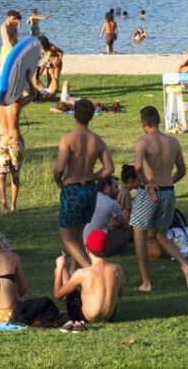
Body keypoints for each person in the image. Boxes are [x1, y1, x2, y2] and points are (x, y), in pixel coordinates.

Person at [130, 106, 188, 292]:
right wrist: (169, 182)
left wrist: (146, 183)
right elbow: (182, 170)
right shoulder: (173, 142)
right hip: (167, 191)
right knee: (161, 235)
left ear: (143, 123)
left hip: (148, 191)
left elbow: (137, 167)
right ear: (158, 121)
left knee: (139, 234)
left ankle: (146, 282)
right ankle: (185, 265)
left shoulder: (143, 142)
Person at [54, 99, 115, 269]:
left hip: (72, 189)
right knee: (79, 234)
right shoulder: (97, 140)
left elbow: (60, 168)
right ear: (91, 117)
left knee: (66, 236)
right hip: (90, 189)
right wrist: (93, 176)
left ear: (74, 114)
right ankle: (75, 273)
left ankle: (90, 269)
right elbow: (109, 168)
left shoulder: (67, 139)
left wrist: (58, 180)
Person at [53, 229, 123, 330]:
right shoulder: (117, 269)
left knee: (63, 273)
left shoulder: (83, 273)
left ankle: (60, 269)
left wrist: (59, 268)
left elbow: (57, 294)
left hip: (85, 317)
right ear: (106, 248)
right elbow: (120, 293)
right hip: (109, 316)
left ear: (87, 249)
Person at [0, 89, 37, 215]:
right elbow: (33, 94)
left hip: (1, 140)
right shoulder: (16, 105)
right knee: (15, 174)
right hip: (14, 141)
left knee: (1, 174)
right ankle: (13, 205)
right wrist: (27, 82)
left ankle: (3, 202)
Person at [83, 177, 128, 256]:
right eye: (116, 187)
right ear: (107, 187)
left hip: (79, 242)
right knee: (123, 232)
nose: (118, 190)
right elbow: (125, 225)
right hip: (93, 245)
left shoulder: (89, 196)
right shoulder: (112, 203)